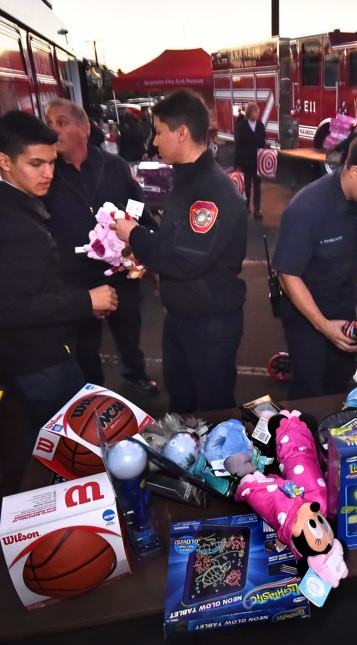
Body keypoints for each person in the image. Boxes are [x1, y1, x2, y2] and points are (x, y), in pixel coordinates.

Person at [0, 110, 118, 433]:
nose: (48, 173)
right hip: (40, 362)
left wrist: (81, 304)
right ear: (5, 162)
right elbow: (8, 308)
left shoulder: (15, 206)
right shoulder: (12, 222)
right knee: (71, 448)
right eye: (36, 164)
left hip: (43, 354)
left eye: (52, 163)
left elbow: (38, 283)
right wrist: (85, 302)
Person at [111, 89, 247, 413]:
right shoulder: (188, 179)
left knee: (214, 411)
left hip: (209, 324)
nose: (153, 142)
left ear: (181, 133)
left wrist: (135, 236)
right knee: (183, 405)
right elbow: (176, 240)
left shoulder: (209, 189)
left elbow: (185, 259)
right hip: (184, 317)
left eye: (158, 132)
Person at [273, 128, 357, 399]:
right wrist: (324, 325)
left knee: (341, 382)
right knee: (309, 390)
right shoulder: (306, 210)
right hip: (307, 313)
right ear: (355, 171)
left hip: (345, 304)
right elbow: (287, 275)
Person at [42, 98, 159, 396]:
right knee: (84, 343)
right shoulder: (47, 176)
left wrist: (145, 244)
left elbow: (137, 206)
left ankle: (136, 375)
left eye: (61, 122)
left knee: (129, 329)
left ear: (83, 127)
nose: (53, 130)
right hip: (74, 279)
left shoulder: (114, 166)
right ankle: (93, 394)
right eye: (49, 123)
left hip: (119, 271)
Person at [234, 102, 267, 219]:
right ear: (250, 112)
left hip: (257, 161)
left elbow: (263, 142)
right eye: (255, 111)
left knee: (257, 186)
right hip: (246, 162)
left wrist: (266, 152)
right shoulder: (241, 126)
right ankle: (246, 206)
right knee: (247, 185)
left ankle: (257, 209)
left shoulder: (260, 125)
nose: (258, 113)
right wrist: (237, 164)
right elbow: (238, 145)